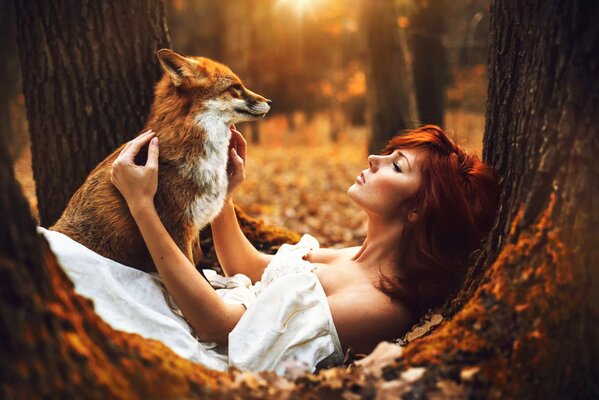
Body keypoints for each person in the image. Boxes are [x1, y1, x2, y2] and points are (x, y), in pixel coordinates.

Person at [108, 124, 499, 358]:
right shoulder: (357, 258)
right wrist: (224, 195)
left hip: (199, 352)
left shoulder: (379, 304)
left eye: (396, 165)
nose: (372, 160)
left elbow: (219, 327)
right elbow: (250, 269)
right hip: (194, 316)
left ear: (418, 209)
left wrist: (142, 205)